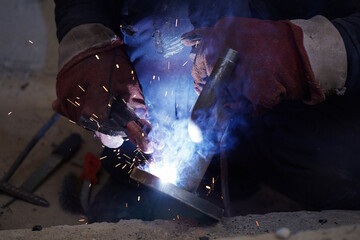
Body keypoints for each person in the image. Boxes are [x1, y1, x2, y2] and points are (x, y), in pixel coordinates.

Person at [53, 0, 360, 220]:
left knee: (334, 159)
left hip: (292, 80)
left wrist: (303, 52)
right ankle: (188, 174)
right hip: (159, 61)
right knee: (127, 145)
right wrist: (86, 43)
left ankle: (258, 163)